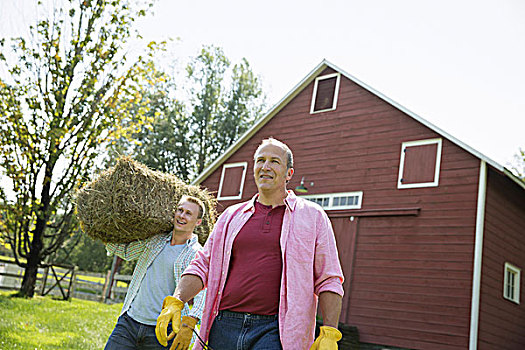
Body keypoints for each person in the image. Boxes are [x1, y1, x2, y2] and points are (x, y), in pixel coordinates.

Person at [156, 138, 345, 350]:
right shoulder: (230, 216)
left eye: (274, 161)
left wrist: (330, 331)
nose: (265, 167)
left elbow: (329, 279)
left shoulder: (312, 217)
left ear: (289, 174)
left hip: (276, 331)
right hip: (225, 324)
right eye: (260, 160)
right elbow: (202, 265)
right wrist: (177, 300)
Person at [104, 195, 207, 350]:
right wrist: (102, 232)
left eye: (188, 213)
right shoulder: (155, 241)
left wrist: (191, 321)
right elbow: (126, 252)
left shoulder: (197, 253)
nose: (181, 216)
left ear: (198, 222)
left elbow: (203, 292)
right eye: (180, 210)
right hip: (129, 322)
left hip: (162, 331)